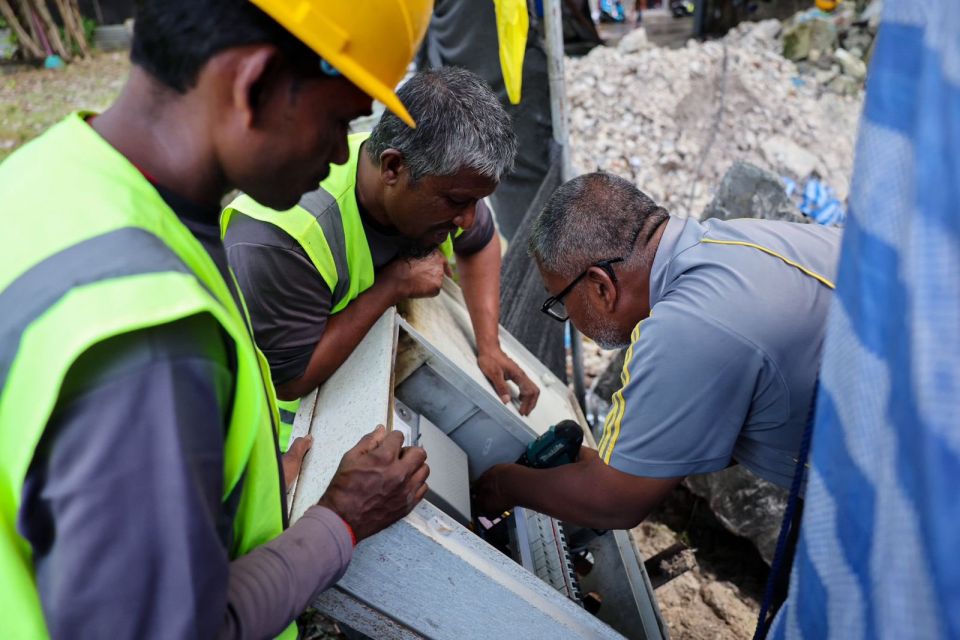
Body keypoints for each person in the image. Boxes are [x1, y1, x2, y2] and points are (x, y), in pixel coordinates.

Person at [0, 1, 432, 638]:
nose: (342, 155)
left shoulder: (45, 175)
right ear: (252, 85)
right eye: (339, 119)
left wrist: (207, 491)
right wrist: (338, 520)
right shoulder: (149, 339)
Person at [474, 172, 841, 530]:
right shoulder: (733, 241)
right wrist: (621, 466)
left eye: (562, 301)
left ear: (601, 287)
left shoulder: (684, 324)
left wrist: (505, 484)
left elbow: (614, 503)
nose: (567, 316)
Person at [222, 67, 540, 450]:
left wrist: (488, 345)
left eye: (475, 201)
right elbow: (290, 380)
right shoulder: (281, 239)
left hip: (377, 393)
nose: (468, 219)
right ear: (392, 167)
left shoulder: (440, 183)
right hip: (286, 451)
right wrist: (394, 284)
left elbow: (482, 241)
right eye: (458, 201)